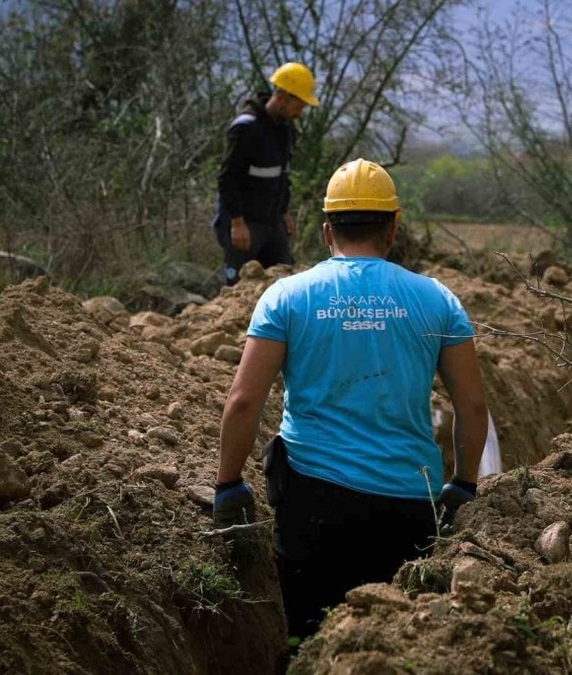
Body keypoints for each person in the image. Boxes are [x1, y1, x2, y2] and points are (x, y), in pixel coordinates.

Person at [212, 158, 489, 644]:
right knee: (396, 644)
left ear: (325, 231)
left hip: (312, 506)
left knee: (306, 639)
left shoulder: (286, 297)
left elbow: (242, 402)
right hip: (408, 504)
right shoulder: (438, 299)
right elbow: (472, 407)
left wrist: (228, 483)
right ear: (393, 228)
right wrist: (464, 484)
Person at [212, 62, 319, 283]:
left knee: (285, 277)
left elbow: (281, 175)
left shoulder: (286, 130)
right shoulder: (246, 128)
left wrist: (284, 212)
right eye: (298, 105)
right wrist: (237, 223)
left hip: (271, 220)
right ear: (281, 97)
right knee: (236, 282)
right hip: (244, 224)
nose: (300, 113)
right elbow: (227, 178)